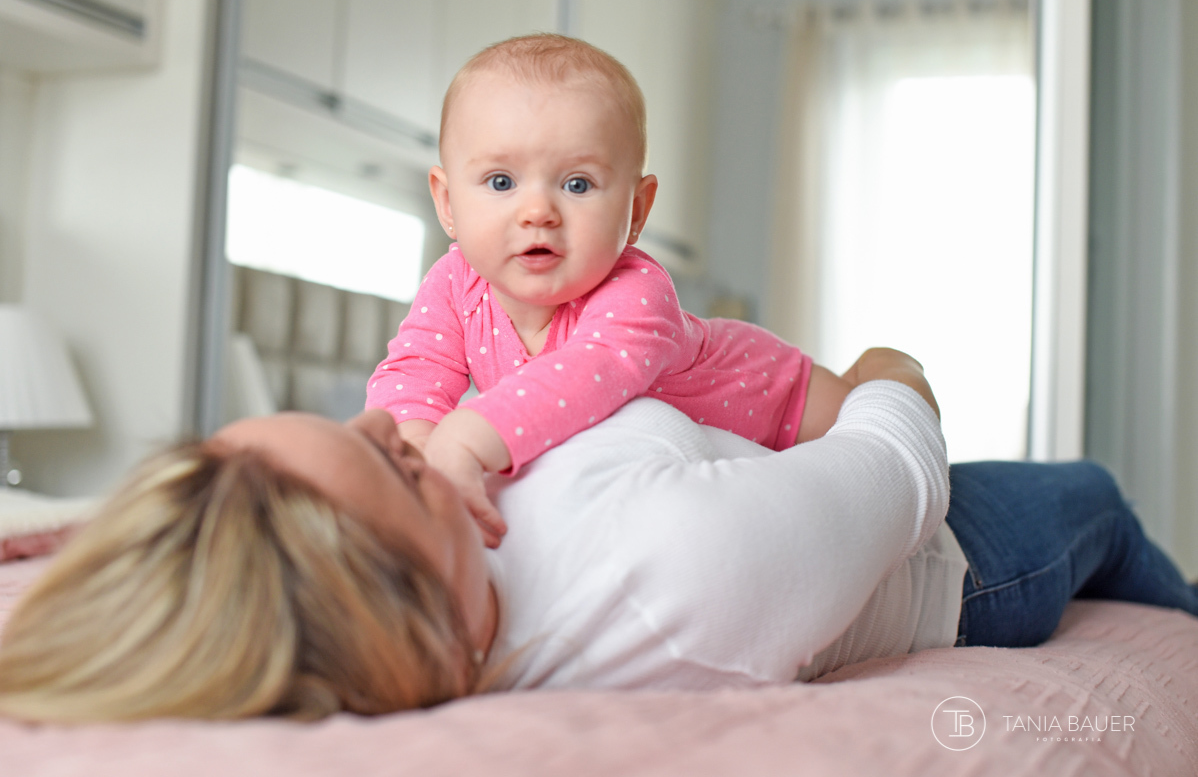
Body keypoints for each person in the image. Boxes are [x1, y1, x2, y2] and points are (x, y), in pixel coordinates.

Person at [0, 348, 1194, 721]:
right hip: (961, 548)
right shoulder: (672, 568)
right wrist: (890, 372)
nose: (386, 414)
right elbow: (897, 468)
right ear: (427, 622)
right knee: (1096, 499)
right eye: (388, 460)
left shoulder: (414, 563)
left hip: (751, 472)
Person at [365, 33, 851, 545]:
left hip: (792, 409)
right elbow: (413, 374)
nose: (537, 212)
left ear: (636, 210)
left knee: (882, 445)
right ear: (446, 202)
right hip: (706, 480)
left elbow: (586, 375)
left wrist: (465, 439)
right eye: (501, 181)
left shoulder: (637, 289)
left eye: (577, 184)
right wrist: (415, 455)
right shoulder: (454, 282)